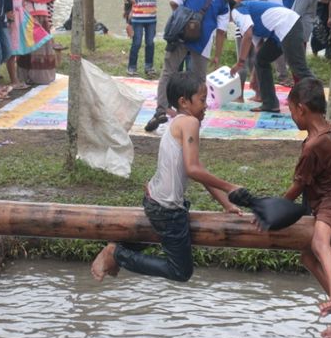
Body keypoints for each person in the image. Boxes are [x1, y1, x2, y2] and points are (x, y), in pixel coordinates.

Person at [91, 72, 242, 283]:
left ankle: (117, 251)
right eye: (202, 100)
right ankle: (115, 254)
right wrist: (230, 187)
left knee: (159, 235)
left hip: (157, 201)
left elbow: (197, 169)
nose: (206, 105)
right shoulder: (190, 122)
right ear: (184, 102)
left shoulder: (179, 121)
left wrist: (226, 204)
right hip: (166, 209)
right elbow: (193, 170)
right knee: (180, 271)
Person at [283, 77, 331, 338]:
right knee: (308, 257)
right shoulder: (330, 129)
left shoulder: (313, 145)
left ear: (301, 109)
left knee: (319, 242)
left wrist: (274, 209)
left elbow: (296, 188)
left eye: (291, 112)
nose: (292, 117)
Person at [144, 0, 230, 132]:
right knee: (199, 80)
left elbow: (173, 2)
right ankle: (195, 116)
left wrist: (182, 19)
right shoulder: (222, 0)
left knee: (168, 72)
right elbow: (221, 31)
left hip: (180, 37)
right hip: (203, 43)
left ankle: (161, 110)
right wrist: (217, 55)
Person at [229, 0, 316, 113]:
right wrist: (255, 76)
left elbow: (248, 35)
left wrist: (240, 62)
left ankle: (320, 103)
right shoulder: (245, 15)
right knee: (261, 59)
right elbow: (259, 48)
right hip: (279, 32)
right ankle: (270, 104)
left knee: (299, 68)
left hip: (288, 25)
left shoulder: (237, 10)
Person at [117, 0, 166, 78]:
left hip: (151, 19)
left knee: (150, 43)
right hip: (137, 18)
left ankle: (149, 66)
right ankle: (131, 67)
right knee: (137, 43)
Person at [7, 0, 51, 90]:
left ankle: (17, 77)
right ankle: (13, 80)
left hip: (21, 22)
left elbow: (22, 5)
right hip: (11, 23)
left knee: (19, 49)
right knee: (12, 51)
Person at [17, 0, 57, 86]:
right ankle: (28, 76)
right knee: (31, 46)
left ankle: (42, 77)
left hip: (43, 15)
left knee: (43, 46)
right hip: (30, 16)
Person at [233, 0, 263, 100]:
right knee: (253, 61)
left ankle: (240, 95)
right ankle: (259, 93)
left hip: (243, 28)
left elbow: (236, 6)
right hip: (256, 28)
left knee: (242, 61)